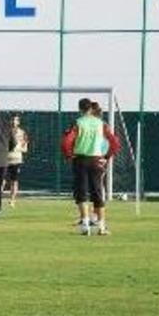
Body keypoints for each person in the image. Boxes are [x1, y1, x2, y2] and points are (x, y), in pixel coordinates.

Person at [61, 100, 121, 235]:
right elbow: (115, 143)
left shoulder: (78, 123)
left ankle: (85, 226)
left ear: (80, 109)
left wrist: (69, 155)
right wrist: (106, 157)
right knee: (97, 193)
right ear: (91, 109)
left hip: (80, 159)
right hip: (96, 160)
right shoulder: (101, 124)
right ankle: (101, 227)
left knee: (81, 193)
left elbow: (66, 142)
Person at [5, 113, 29, 207]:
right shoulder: (5, 131)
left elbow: (25, 148)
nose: (13, 122)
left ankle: (12, 200)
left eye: (15, 120)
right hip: (5, 160)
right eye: (12, 120)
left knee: (14, 180)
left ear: (18, 122)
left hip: (16, 160)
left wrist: (17, 148)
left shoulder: (22, 133)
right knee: (2, 180)